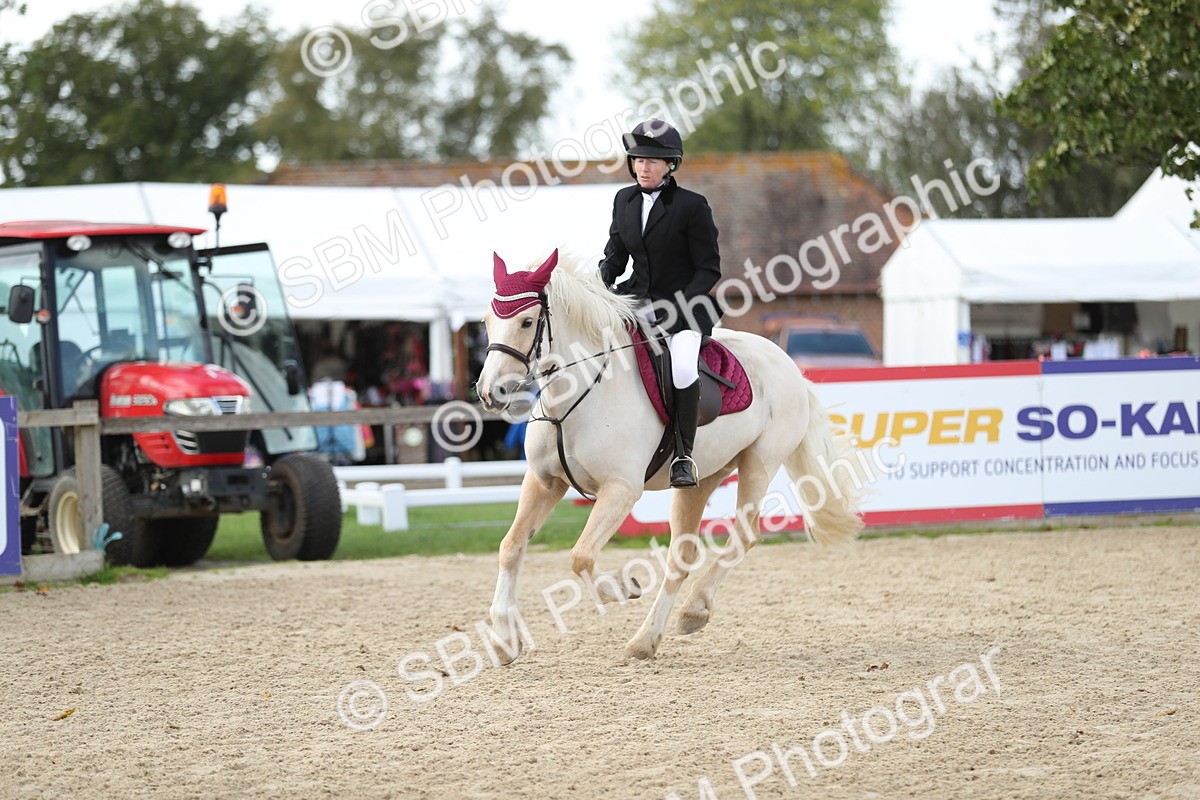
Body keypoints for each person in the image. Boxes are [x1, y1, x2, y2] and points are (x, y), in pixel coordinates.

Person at [599, 119, 723, 488]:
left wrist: (677, 306)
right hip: (634, 299)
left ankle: (683, 456)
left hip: (683, 310)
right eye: (637, 159)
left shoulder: (692, 206)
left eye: (652, 161)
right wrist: (601, 282)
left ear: (671, 165)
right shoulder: (623, 200)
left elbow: (708, 269)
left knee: (683, 370)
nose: (643, 167)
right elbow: (616, 255)